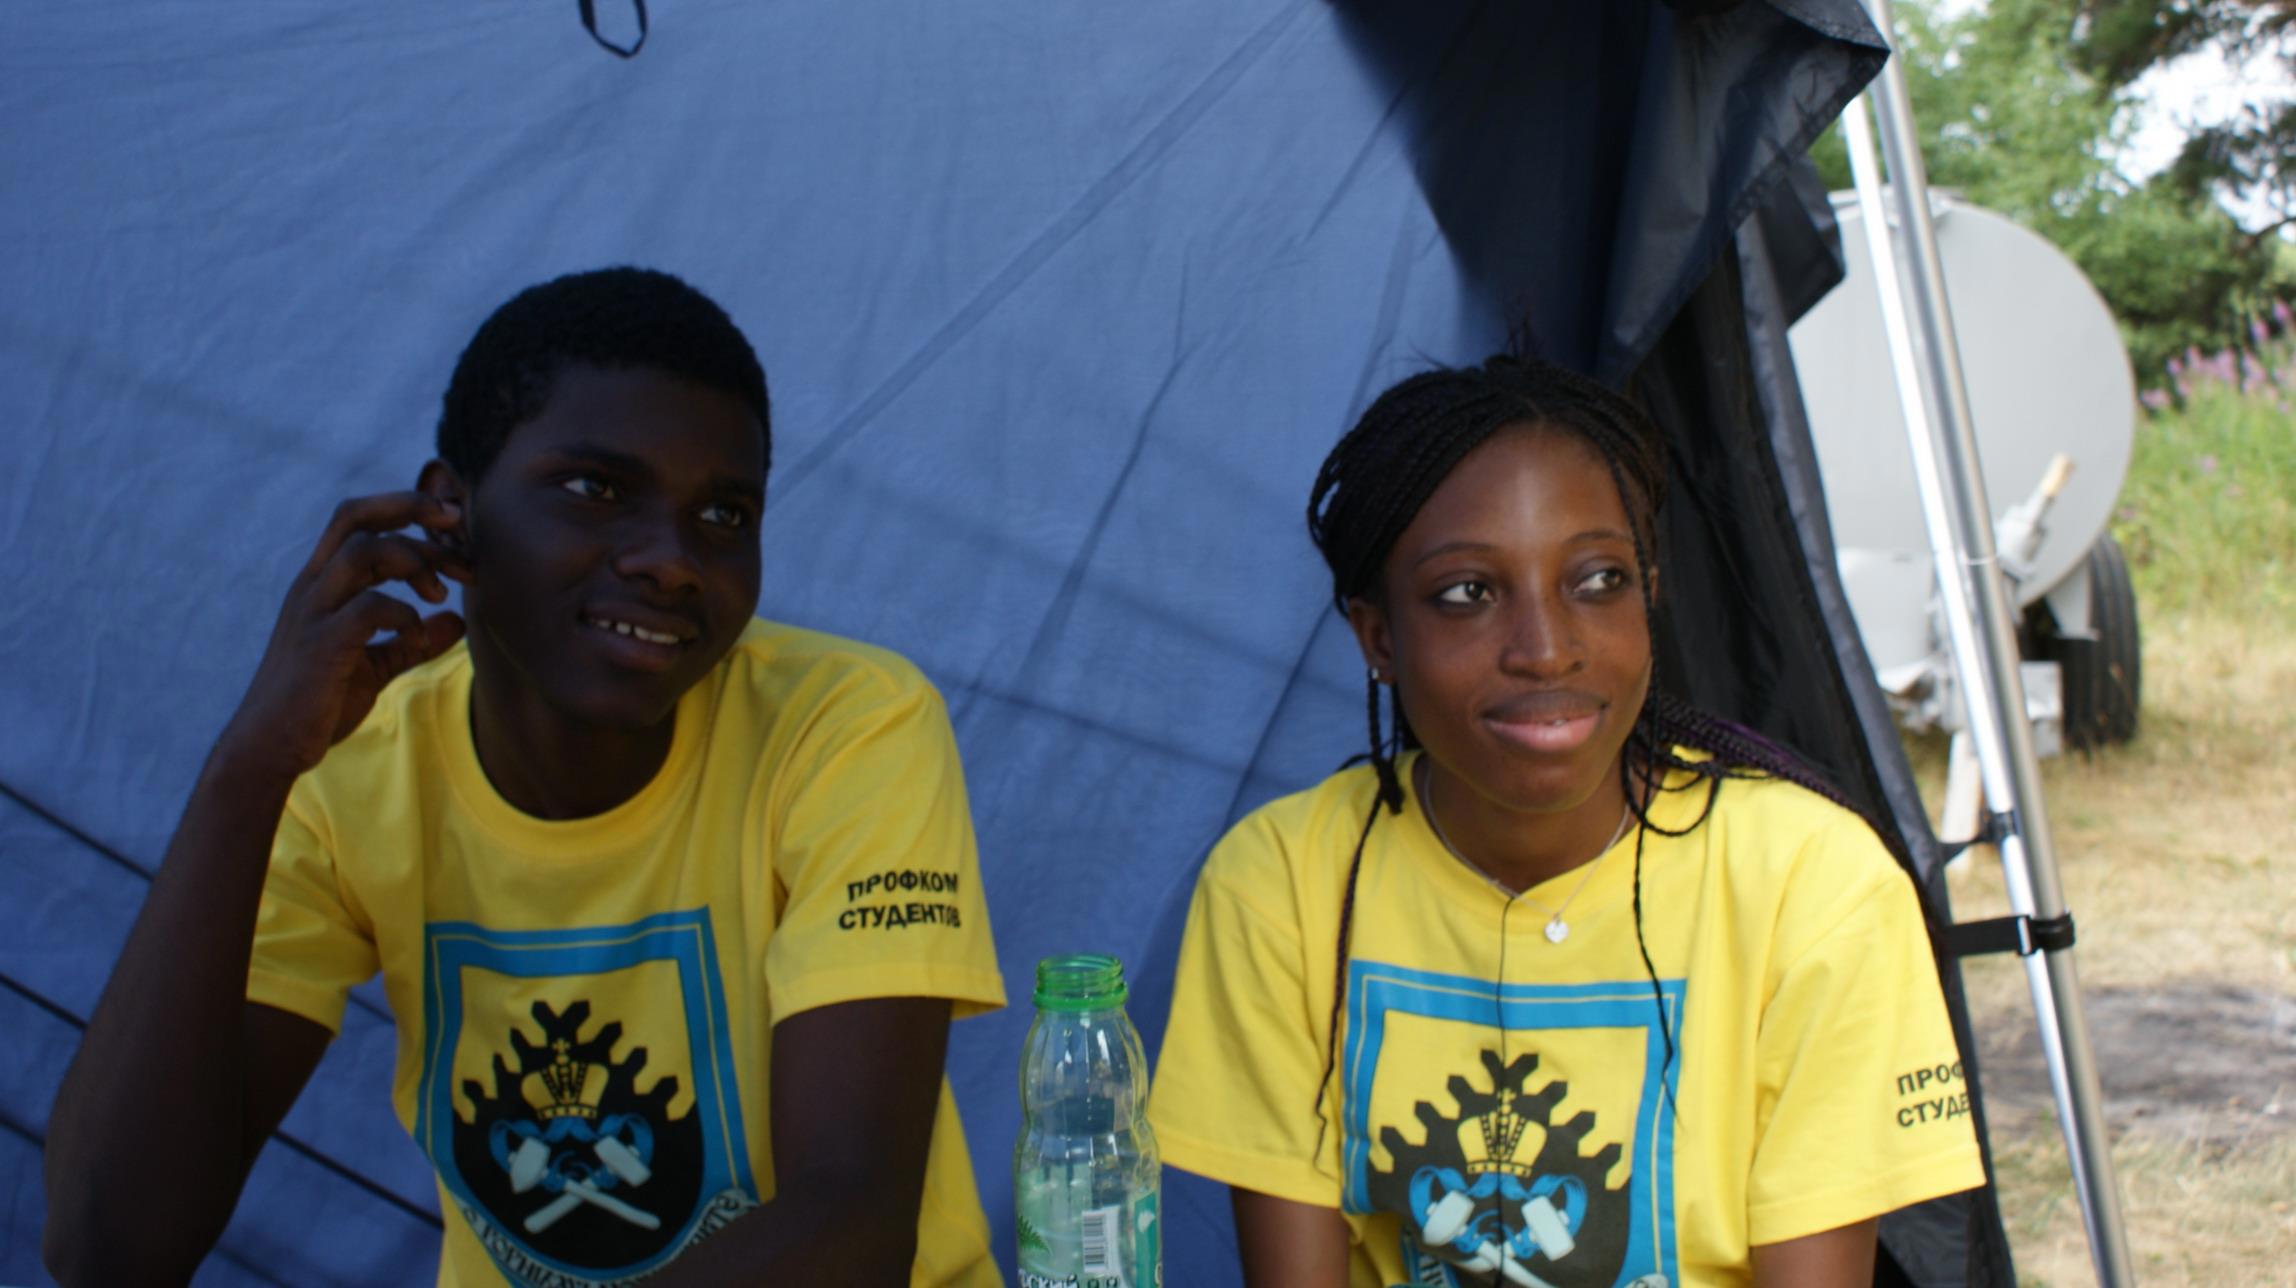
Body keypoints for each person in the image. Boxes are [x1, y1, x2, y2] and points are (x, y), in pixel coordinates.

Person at [43, 267, 1007, 1287]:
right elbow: (111, 1247)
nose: (672, 560)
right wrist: (245, 773)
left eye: (725, 514)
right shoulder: (345, 761)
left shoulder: (845, 727)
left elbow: (851, 1221)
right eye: (597, 489)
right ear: (451, 511)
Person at [1149, 356, 1984, 1287]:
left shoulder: (1813, 883)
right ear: (1378, 636)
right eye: (1468, 593)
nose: (1546, 650)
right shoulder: (1282, 883)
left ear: (1649, 595)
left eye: (1597, 580)